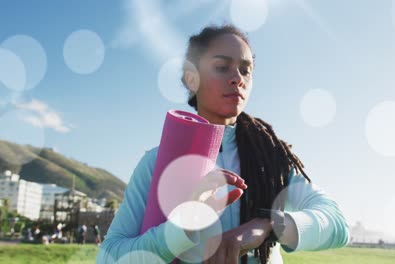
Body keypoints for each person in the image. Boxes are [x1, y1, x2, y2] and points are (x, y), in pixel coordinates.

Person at [97, 24, 349, 264]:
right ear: (191, 79)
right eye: (222, 67)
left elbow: (337, 224)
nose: (237, 78)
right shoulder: (155, 162)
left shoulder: (272, 159)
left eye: (245, 69)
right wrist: (182, 228)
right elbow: (108, 258)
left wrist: (268, 225)